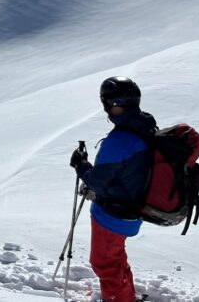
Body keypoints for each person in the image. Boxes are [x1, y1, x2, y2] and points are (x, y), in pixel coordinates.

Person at [70, 76, 156, 302]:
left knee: (104, 262)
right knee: (115, 257)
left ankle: (119, 299)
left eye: (110, 104)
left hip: (113, 213)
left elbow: (97, 181)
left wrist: (81, 165)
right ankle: (125, 295)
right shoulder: (144, 126)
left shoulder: (121, 139)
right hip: (133, 208)